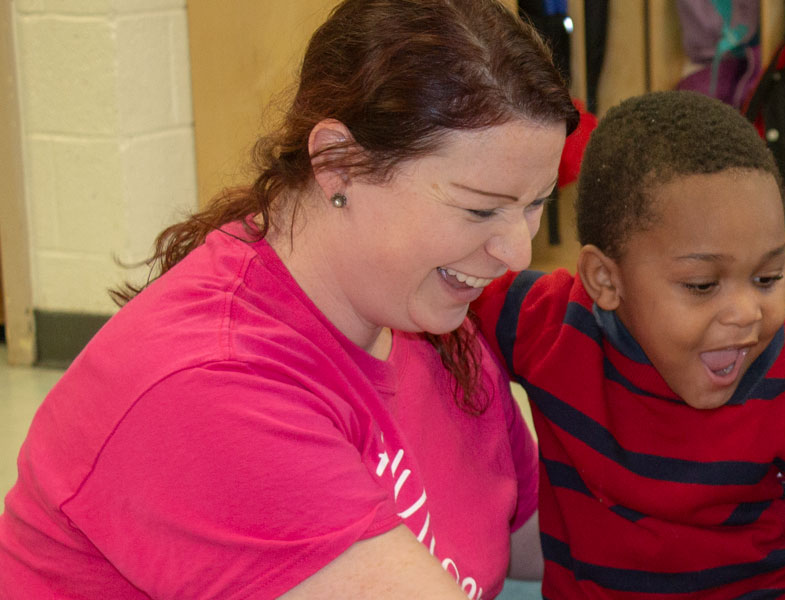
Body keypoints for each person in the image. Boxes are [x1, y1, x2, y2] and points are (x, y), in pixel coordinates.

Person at [0, 1, 578, 597]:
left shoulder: (423, 314)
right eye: (481, 208)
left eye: (535, 205)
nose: (516, 252)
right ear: (336, 163)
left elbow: (551, 542)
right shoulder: (212, 389)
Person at [471, 90, 785, 598]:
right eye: (703, 285)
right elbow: (431, 297)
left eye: (768, 276)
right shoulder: (544, 323)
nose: (747, 313)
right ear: (605, 280)